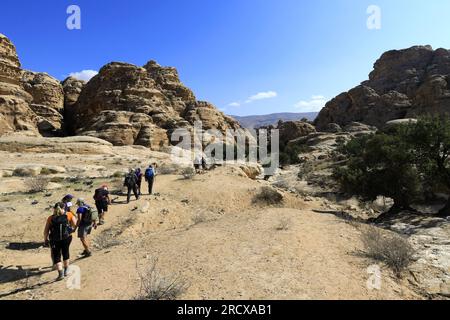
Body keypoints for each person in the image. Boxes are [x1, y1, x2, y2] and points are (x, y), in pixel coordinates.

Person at [44, 202, 77, 281]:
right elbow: (74, 225)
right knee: (66, 253)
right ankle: (66, 271)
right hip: (67, 238)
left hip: (55, 240)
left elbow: (46, 231)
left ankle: (60, 274)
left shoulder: (50, 218)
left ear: (54, 209)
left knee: (57, 256)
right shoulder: (69, 214)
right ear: (64, 207)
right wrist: (70, 229)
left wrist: (45, 239)